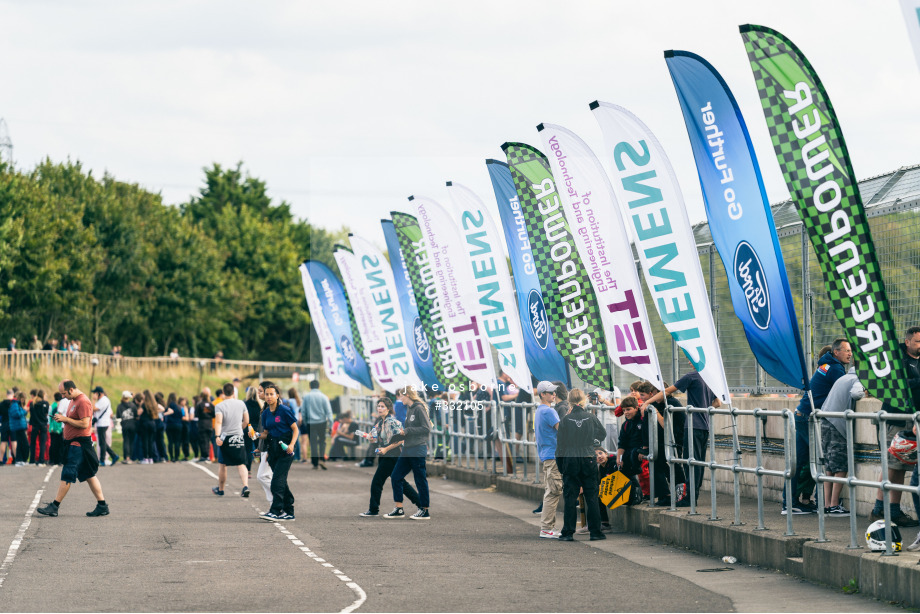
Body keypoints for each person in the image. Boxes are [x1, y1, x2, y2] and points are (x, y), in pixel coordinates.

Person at [784, 339, 852, 515]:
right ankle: (804, 502)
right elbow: (845, 392)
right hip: (809, 417)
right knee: (818, 460)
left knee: (803, 461)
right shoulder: (836, 369)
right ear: (836, 352)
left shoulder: (825, 365)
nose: (850, 354)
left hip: (802, 414)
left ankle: (796, 501)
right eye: (846, 350)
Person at [641, 371, 720, 503]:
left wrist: (646, 403)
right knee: (698, 463)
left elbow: (667, 391)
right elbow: (718, 402)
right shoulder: (709, 377)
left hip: (692, 425)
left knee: (690, 462)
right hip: (705, 426)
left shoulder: (691, 376)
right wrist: (703, 411)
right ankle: (693, 496)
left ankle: (690, 498)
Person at [36, 380, 109, 518]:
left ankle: (54, 506)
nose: (63, 396)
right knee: (89, 475)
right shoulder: (72, 400)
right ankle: (102, 505)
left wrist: (66, 419)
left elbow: (84, 423)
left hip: (79, 444)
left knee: (67, 473)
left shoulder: (83, 401)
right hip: (73, 443)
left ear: (70, 389)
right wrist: (63, 419)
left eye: (64, 393)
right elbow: (73, 420)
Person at [871, 327, 920, 527]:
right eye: (917, 342)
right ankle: (883, 510)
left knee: (898, 466)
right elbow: (896, 384)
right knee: (893, 464)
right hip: (896, 418)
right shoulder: (896, 359)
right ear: (907, 342)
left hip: (913, 418)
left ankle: (888, 509)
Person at [556, 389, 606, 542]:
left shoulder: (565, 420)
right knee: (591, 496)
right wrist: (593, 443)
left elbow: (560, 446)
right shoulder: (591, 417)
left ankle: (568, 532)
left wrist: (561, 466)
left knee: (570, 497)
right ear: (584, 401)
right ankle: (596, 532)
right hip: (588, 457)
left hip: (571, 459)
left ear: (569, 401)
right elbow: (602, 434)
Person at [359, 397, 420, 517]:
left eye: (382, 406)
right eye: (378, 406)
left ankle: (373, 509)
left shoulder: (392, 422)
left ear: (388, 409)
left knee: (377, 482)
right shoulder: (380, 423)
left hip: (392, 455)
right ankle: (420, 503)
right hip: (385, 455)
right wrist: (369, 438)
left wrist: (386, 449)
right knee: (400, 482)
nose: (379, 408)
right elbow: (375, 439)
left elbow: (400, 440)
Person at [819, 364, 866, 516]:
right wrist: (867, 390)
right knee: (840, 465)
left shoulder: (843, 377)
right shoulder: (857, 379)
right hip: (838, 423)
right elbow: (856, 394)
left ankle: (826, 504)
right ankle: (834, 505)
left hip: (825, 420)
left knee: (829, 466)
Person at [383, 386, 432, 520]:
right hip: (408, 448)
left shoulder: (418, 408)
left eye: (401, 396)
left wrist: (408, 430)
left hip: (417, 448)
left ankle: (424, 510)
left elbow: (426, 428)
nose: (399, 399)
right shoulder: (410, 409)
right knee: (396, 476)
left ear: (408, 395)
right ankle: (399, 508)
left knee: (419, 479)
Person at [258, 383, 299, 521]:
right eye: (266, 394)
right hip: (273, 449)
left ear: (277, 396)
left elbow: (295, 429)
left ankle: (275, 510)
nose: (268, 397)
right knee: (281, 481)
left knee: (277, 481)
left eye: (271, 394)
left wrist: (292, 445)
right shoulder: (265, 414)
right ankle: (289, 511)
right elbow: (266, 433)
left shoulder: (284, 410)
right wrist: (257, 435)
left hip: (286, 449)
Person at [534, 381, 561, 538]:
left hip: (546, 454)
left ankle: (547, 527)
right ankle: (546, 528)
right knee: (553, 491)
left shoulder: (540, 410)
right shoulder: (549, 412)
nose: (553, 394)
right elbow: (562, 430)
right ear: (542, 394)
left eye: (554, 392)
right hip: (553, 455)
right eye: (550, 392)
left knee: (550, 490)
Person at [213, 383, 250, 498]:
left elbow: (218, 422)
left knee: (223, 464)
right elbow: (246, 420)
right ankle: (245, 486)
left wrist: (217, 436)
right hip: (238, 436)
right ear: (234, 393)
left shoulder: (219, 406)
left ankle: (221, 489)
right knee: (241, 463)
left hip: (225, 437)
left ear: (223, 393)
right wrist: (241, 427)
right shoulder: (241, 403)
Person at [303, 379, 332, 470]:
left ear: (310, 387)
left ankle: (315, 463)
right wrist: (330, 424)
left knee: (313, 442)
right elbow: (329, 412)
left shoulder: (306, 397)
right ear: (319, 386)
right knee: (322, 441)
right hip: (322, 422)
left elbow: (303, 411)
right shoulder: (323, 397)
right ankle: (322, 460)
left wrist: (305, 422)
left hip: (310, 423)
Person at [92, 387, 119, 466]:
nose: (94, 395)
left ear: (99, 393)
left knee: (102, 442)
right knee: (102, 442)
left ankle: (103, 460)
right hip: (102, 423)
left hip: (102, 423)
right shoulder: (103, 400)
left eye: (95, 393)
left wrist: (93, 400)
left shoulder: (103, 400)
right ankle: (113, 456)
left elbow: (93, 408)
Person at [29, 390, 50, 466]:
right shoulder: (46, 403)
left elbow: (31, 414)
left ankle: (32, 460)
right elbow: (46, 413)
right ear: (43, 395)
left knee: (33, 443)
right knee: (42, 443)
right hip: (43, 425)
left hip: (35, 425)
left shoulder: (33, 403)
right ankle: (41, 461)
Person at [116, 391, 137, 464]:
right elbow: (136, 415)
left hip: (125, 425)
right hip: (133, 425)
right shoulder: (133, 405)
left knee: (126, 441)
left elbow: (118, 416)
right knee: (131, 441)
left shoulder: (120, 406)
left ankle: (126, 457)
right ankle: (130, 457)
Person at [196, 388, 216, 462]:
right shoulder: (211, 404)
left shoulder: (199, 404)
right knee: (208, 440)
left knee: (202, 440)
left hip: (202, 424)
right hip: (209, 424)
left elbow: (196, 414)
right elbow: (214, 414)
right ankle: (207, 455)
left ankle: (204, 455)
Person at [164, 392, 185, 462]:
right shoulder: (179, 407)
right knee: (177, 442)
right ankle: (176, 457)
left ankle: (171, 457)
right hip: (178, 425)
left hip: (169, 425)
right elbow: (182, 416)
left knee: (170, 442)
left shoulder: (167, 407)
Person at [9, 391, 28, 466]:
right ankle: (19, 460)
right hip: (17, 427)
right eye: (23, 399)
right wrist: (24, 411)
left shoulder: (17, 404)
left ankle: (21, 460)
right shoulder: (15, 404)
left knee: (21, 444)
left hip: (20, 427)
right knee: (24, 444)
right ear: (21, 398)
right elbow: (16, 414)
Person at [49, 392, 66, 465]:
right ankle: (59, 460)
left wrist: (51, 426)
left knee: (53, 444)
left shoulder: (52, 405)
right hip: (59, 428)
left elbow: (50, 418)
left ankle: (52, 460)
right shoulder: (59, 406)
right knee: (60, 444)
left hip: (52, 428)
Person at [0, 389, 12, 465]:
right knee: (13, 442)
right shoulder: (13, 403)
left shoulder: (1, 404)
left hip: (4, 424)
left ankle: (0, 459)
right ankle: (16, 459)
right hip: (12, 424)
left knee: (3, 442)